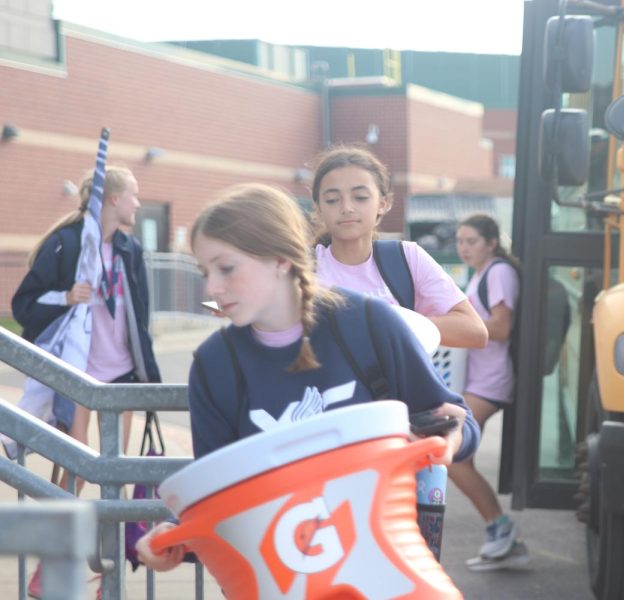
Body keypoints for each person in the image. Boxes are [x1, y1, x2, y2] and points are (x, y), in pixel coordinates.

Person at [135, 182, 480, 572]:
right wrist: (176, 540)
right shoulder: (214, 365)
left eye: (227, 268)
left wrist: (451, 436)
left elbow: (454, 421)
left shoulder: (369, 323)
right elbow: (220, 500)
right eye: (205, 271)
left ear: (281, 259)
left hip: (384, 570)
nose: (212, 288)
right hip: (277, 576)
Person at [10, 165, 160, 597]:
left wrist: (147, 377)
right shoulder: (68, 243)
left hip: (122, 379)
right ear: (113, 199)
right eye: (133, 194)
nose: (137, 202)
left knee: (114, 479)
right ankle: (50, 570)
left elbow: (140, 320)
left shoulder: (130, 249)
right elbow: (24, 306)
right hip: (77, 379)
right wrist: (65, 297)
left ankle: (104, 576)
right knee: (75, 477)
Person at [311, 145, 488, 349]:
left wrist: (390, 322)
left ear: (382, 203)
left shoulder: (406, 257)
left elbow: (474, 331)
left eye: (360, 197)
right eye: (332, 200)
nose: (347, 208)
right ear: (319, 209)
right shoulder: (302, 269)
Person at [451, 213, 529, 570]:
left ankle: (501, 530)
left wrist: (457, 324)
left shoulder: (499, 272)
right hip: (478, 381)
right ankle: (500, 532)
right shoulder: (481, 274)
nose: (464, 248)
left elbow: (499, 329)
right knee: (454, 456)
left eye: (471, 241)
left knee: (453, 456)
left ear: (492, 243)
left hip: (491, 381)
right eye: (460, 241)